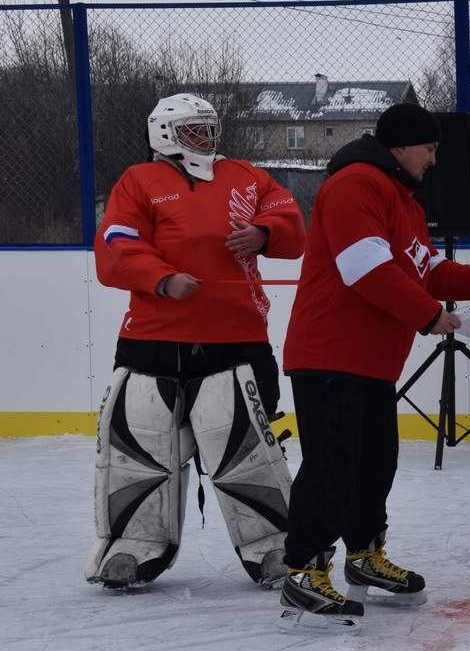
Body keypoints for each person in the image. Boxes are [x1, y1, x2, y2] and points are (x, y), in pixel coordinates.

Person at [277, 103, 470, 633]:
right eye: (429, 149)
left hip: (372, 361)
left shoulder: (403, 200)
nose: (434, 160)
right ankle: (303, 569)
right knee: (332, 466)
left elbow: (429, 270)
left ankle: (364, 555)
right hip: (330, 355)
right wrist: (429, 315)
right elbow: (365, 269)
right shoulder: (355, 186)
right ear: (400, 147)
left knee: (376, 464)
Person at [87, 93, 306, 590]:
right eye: (194, 129)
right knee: (139, 447)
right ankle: (132, 546)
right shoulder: (138, 181)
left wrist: (264, 233)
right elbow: (116, 245)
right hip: (152, 341)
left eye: (209, 128)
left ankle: (274, 545)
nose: (206, 138)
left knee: (248, 450)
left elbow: (293, 227)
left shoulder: (247, 176)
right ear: (164, 134)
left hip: (238, 339)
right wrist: (162, 279)